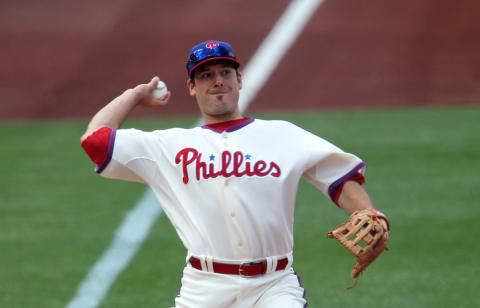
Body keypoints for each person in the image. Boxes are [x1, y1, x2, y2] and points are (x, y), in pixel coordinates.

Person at [80, 40, 390, 307]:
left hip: (274, 284)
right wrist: (134, 95)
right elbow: (95, 141)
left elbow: (339, 179)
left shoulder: (283, 135)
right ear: (192, 86)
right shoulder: (167, 146)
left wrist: (368, 213)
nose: (217, 81)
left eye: (225, 72)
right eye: (206, 75)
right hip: (204, 288)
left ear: (239, 79)